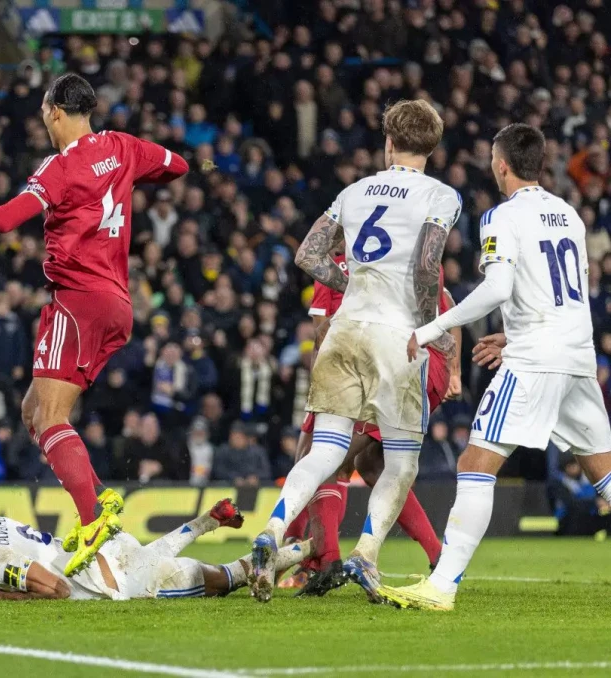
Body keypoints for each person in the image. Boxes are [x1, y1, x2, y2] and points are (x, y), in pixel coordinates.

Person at [0, 73, 190, 576]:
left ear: (54, 111)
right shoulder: (122, 147)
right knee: (35, 411)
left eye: (42, 112)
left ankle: (93, 518)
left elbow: (6, 219)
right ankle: (100, 504)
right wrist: (132, 177)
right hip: (117, 304)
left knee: (52, 417)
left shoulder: (60, 167)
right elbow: (178, 165)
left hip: (77, 300)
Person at [380, 124, 611, 611]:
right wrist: (516, 333)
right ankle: (441, 584)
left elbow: (497, 289)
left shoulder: (501, 217)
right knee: (605, 477)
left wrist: (429, 329)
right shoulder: (568, 213)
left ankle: (441, 587)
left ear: (501, 165)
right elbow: (565, 294)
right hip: (576, 356)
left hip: (534, 364)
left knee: (474, 465)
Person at [251, 100, 460, 603]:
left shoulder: (354, 191)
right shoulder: (441, 195)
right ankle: (365, 555)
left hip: (345, 331)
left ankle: (273, 531)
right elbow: (428, 266)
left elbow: (307, 255)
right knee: (401, 460)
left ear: (389, 142)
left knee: (325, 450)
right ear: (432, 147)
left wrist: (346, 281)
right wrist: (432, 328)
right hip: (397, 337)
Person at [281, 252, 458, 595]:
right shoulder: (403, 249)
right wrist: (455, 369)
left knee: (331, 460)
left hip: (402, 367)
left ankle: (326, 560)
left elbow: (324, 333)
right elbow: (449, 302)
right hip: (416, 365)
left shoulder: (347, 264)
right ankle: (438, 557)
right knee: (371, 464)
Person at [0, 499, 309, 601]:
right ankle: (206, 521)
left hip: (114, 582)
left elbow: (56, 590)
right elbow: (4, 573)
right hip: (110, 551)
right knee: (153, 555)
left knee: (227, 580)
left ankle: (306, 549)